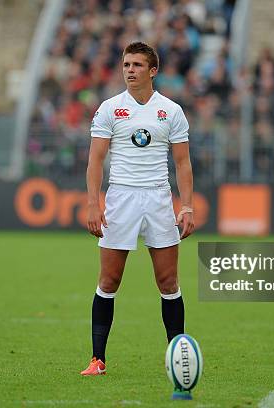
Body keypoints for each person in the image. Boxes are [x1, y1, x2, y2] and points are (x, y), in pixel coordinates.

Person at [81, 41, 195, 376]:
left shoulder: (171, 111)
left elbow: (183, 163)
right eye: (126, 65)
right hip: (121, 198)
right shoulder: (109, 108)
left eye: (137, 65)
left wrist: (186, 205)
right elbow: (95, 160)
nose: (130, 70)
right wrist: (93, 203)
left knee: (169, 281)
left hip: (159, 199)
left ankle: (177, 359)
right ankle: (97, 360)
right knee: (109, 279)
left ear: (153, 70)